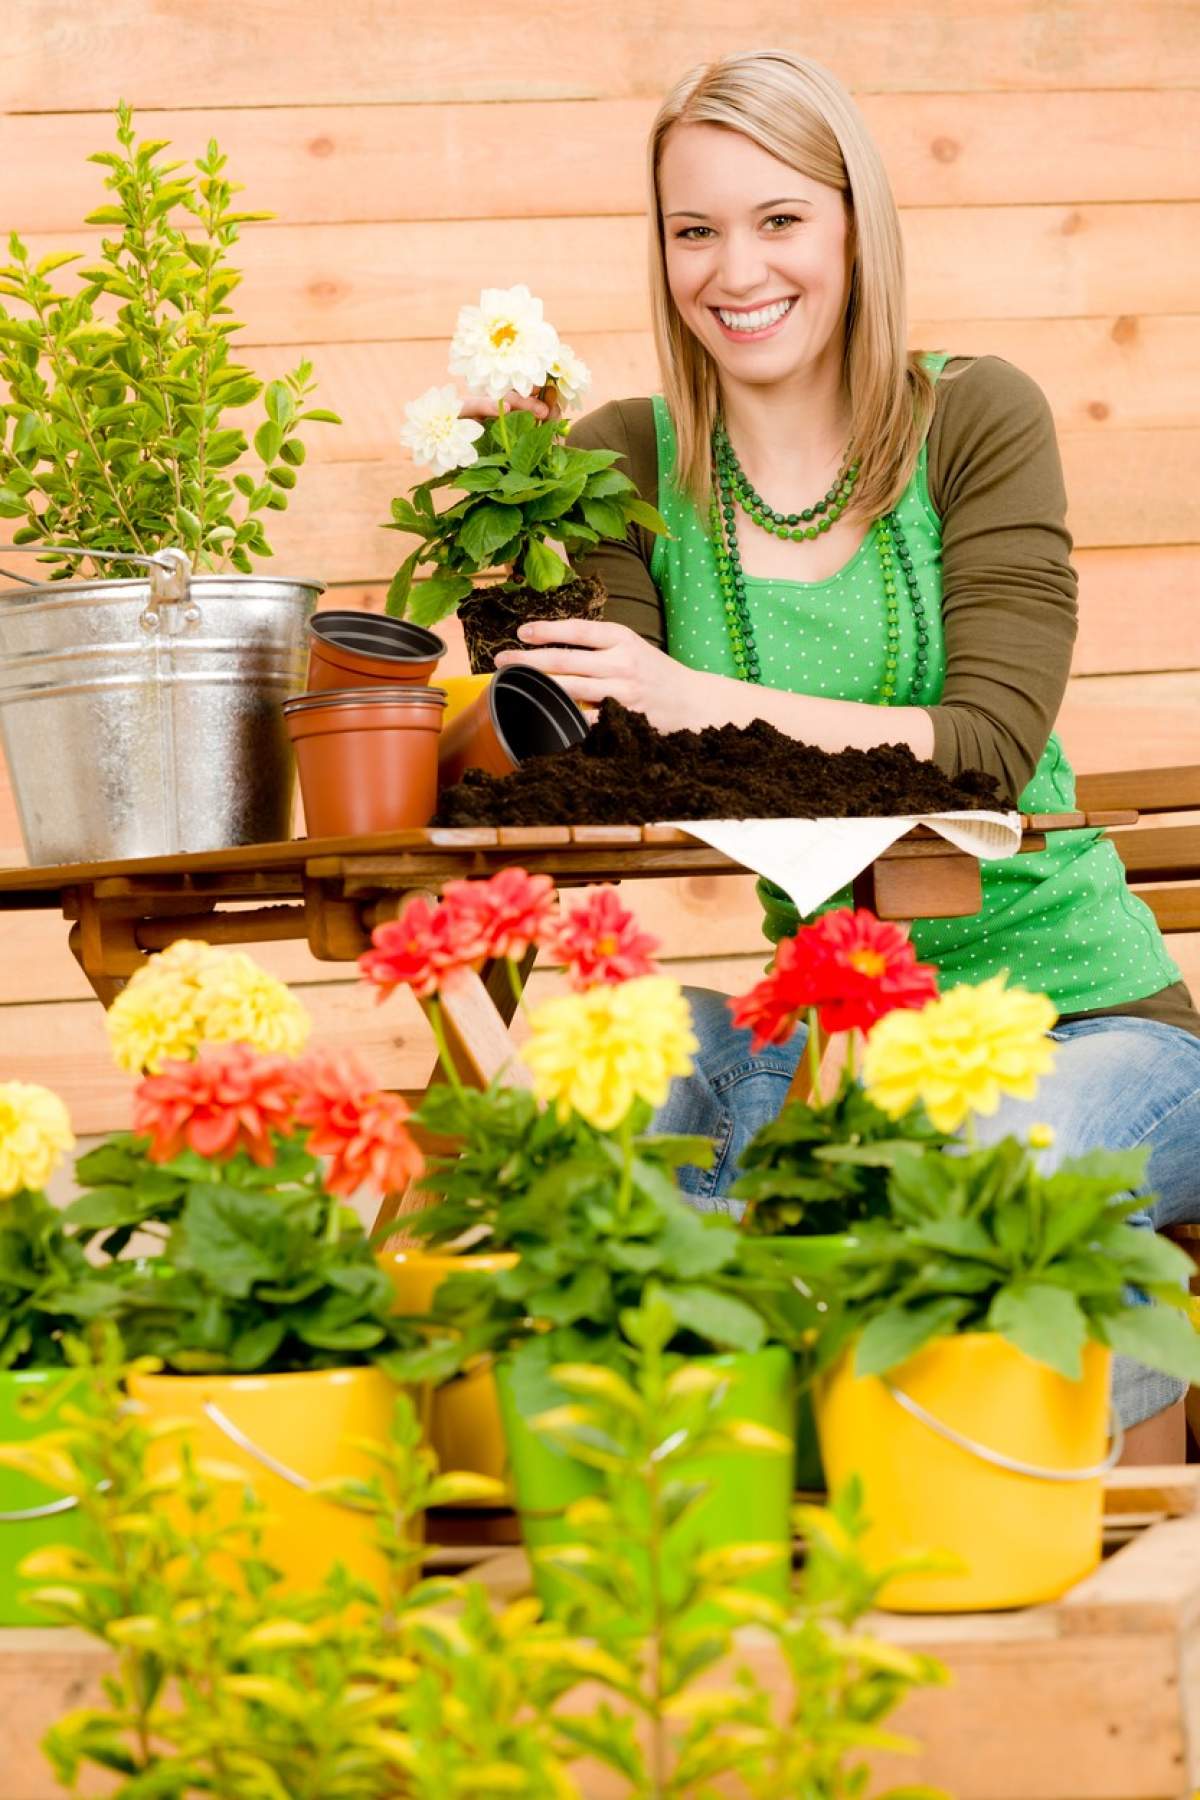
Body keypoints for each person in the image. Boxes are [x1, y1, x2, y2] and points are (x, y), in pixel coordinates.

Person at [483, 50, 1200, 1459]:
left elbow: (988, 748)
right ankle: (743, 1462)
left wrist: (682, 691)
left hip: (1088, 1029)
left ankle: (863, 1456)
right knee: (568, 1103)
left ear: (855, 226)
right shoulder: (622, 460)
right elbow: (616, 756)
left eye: (779, 219)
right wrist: (507, 553)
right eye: (695, 230)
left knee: (986, 1174)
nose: (733, 269)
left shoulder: (974, 424)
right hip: (826, 1037)